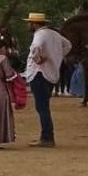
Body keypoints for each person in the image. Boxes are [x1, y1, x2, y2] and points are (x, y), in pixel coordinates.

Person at [23, 12, 72, 148]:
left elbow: (35, 48)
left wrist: (38, 59)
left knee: (42, 107)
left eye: (30, 23)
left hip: (40, 73)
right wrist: (57, 56)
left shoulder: (39, 34)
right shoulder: (55, 34)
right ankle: (46, 135)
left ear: (34, 24)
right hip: (51, 73)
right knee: (44, 106)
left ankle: (47, 137)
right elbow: (68, 45)